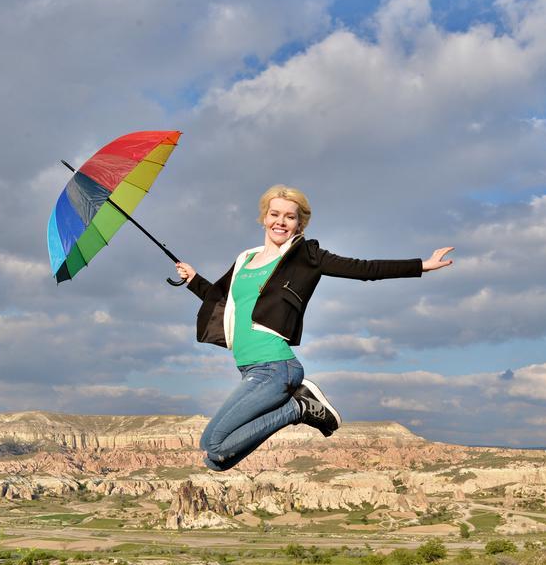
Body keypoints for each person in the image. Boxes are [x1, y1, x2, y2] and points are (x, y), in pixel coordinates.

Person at [176, 185, 453, 471]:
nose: (280, 222)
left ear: (300, 223)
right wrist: (194, 279)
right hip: (248, 368)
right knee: (216, 461)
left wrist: (421, 265)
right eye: (274, 214)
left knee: (212, 443)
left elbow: (364, 269)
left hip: (273, 367)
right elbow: (226, 304)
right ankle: (299, 407)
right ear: (264, 217)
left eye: (289, 217)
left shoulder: (306, 255)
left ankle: (299, 408)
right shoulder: (245, 259)